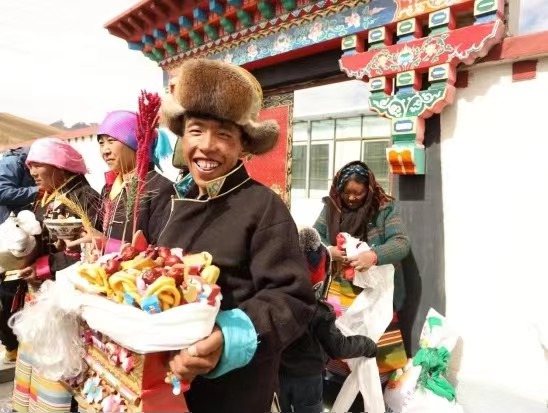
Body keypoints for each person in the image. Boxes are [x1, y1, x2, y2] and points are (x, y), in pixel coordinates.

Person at [159, 58, 315, 413]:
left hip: (233, 394)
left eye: (224, 134)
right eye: (196, 130)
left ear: (243, 146)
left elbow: (293, 299)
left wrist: (228, 338)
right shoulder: (174, 201)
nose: (207, 146)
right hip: (169, 385)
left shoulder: (264, 207)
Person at [12, 137, 100, 413]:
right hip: (42, 292)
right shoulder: (48, 194)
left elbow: (85, 252)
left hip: (64, 299)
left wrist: (42, 266)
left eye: (38, 165)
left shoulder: (83, 198)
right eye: (30, 166)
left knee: (61, 364)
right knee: (40, 357)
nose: (32, 172)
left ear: (59, 166)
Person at [313, 160, 411, 405]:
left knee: (375, 343)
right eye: (347, 192)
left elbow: (401, 243)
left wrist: (373, 256)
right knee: (339, 339)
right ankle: (337, 392)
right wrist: (329, 251)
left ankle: (372, 396)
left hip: (375, 291)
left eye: (358, 193)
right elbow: (315, 237)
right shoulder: (332, 206)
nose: (352, 198)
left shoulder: (384, 208)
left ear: (369, 188)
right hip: (340, 289)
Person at [279, 227, 377, 413]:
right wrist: (367, 345)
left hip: (278, 374)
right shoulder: (320, 313)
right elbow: (338, 347)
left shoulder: (277, 301)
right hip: (308, 379)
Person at [95, 110, 175, 251]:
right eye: (101, 143)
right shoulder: (109, 189)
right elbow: (100, 235)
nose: (105, 151)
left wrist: (109, 246)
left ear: (135, 143)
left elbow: (160, 250)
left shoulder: (161, 188)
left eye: (111, 141)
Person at [0, 147, 38, 363]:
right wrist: (37, 190)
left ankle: (12, 345)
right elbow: (2, 192)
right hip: (8, 241)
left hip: (15, 238)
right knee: (9, 292)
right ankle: (11, 345)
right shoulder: (12, 163)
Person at [0, 147, 38, 224]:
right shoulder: (10, 163)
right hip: (5, 222)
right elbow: (2, 193)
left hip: (22, 219)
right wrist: (37, 191)